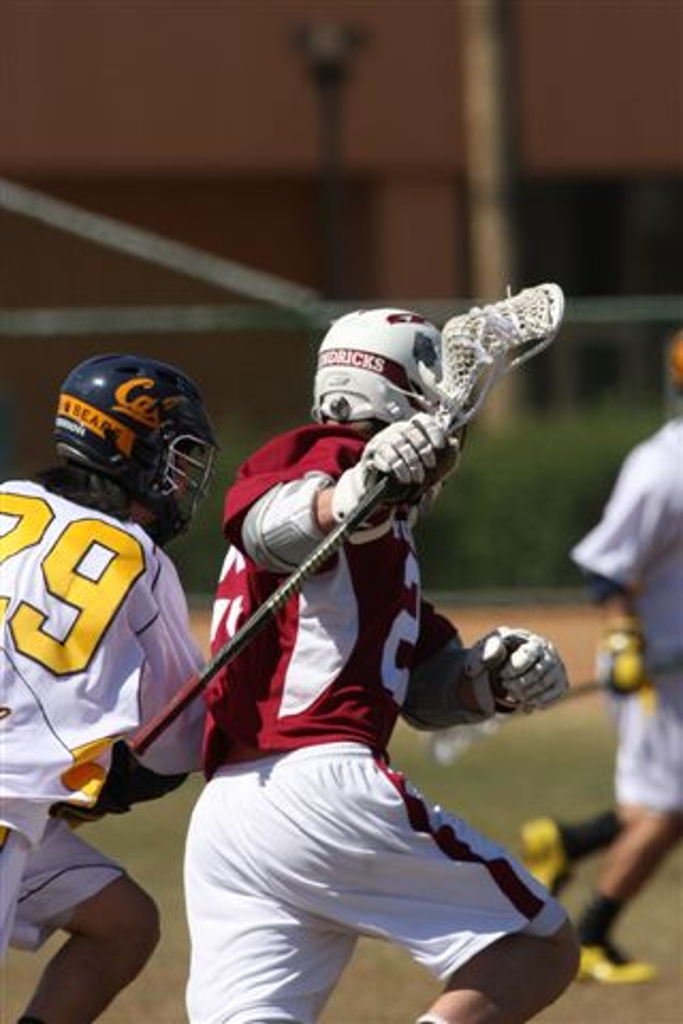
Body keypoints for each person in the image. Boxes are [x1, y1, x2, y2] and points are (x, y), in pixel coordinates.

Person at [184, 308, 580, 1024]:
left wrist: (491, 680)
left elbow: (424, 691)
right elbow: (261, 526)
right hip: (320, 783)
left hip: (231, 819)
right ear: (398, 398)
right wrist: (357, 482)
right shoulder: (321, 459)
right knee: (536, 945)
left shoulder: (381, 532)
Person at [1, 353, 217, 1024]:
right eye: (176, 456)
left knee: (121, 922)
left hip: (18, 807)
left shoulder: (5, 498)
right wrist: (108, 781)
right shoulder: (136, 556)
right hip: (5, 811)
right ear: (133, 446)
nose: (182, 479)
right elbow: (173, 740)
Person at [520, 328, 683, 983]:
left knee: (654, 806)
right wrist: (622, 641)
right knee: (667, 809)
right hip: (656, 673)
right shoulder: (663, 468)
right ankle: (590, 937)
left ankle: (564, 843)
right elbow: (607, 570)